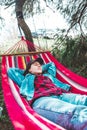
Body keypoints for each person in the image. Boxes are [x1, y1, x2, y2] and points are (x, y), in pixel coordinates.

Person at [7, 57, 87, 129]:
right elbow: (11, 71)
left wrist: (40, 68)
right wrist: (27, 71)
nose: (39, 66)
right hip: (43, 99)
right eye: (35, 64)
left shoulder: (48, 75)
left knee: (84, 99)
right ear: (29, 70)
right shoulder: (25, 78)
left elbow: (51, 64)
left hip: (61, 95)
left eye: (40, 65)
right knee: (76, 112)